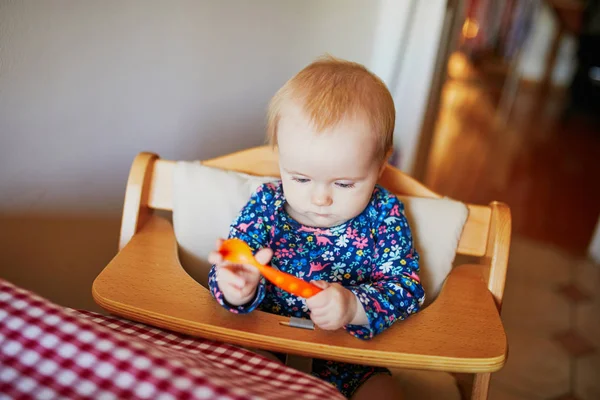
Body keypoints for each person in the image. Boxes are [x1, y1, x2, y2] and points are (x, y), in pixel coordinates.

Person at [208, 56, 425, 399]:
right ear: (280, 156)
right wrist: (237, 287)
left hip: (348, 357)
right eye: (301, 178)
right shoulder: (267, 205)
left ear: (382, 163)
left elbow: (406, 289)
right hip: (265, 342)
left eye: (343, 184)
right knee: (229, 380)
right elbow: (232, 260)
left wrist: (354, 306)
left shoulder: (384, 214)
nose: (320, 198)